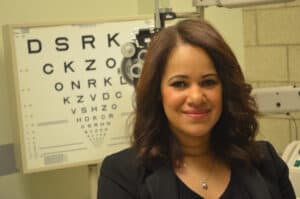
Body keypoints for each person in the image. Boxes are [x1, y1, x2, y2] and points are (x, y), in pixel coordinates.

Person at [97, 18, 296, 199]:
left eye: (208, 82)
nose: (196, 97)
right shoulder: (122, 175)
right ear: (157, 92)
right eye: (180, 84)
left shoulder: (266, 162)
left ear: (225, 89)